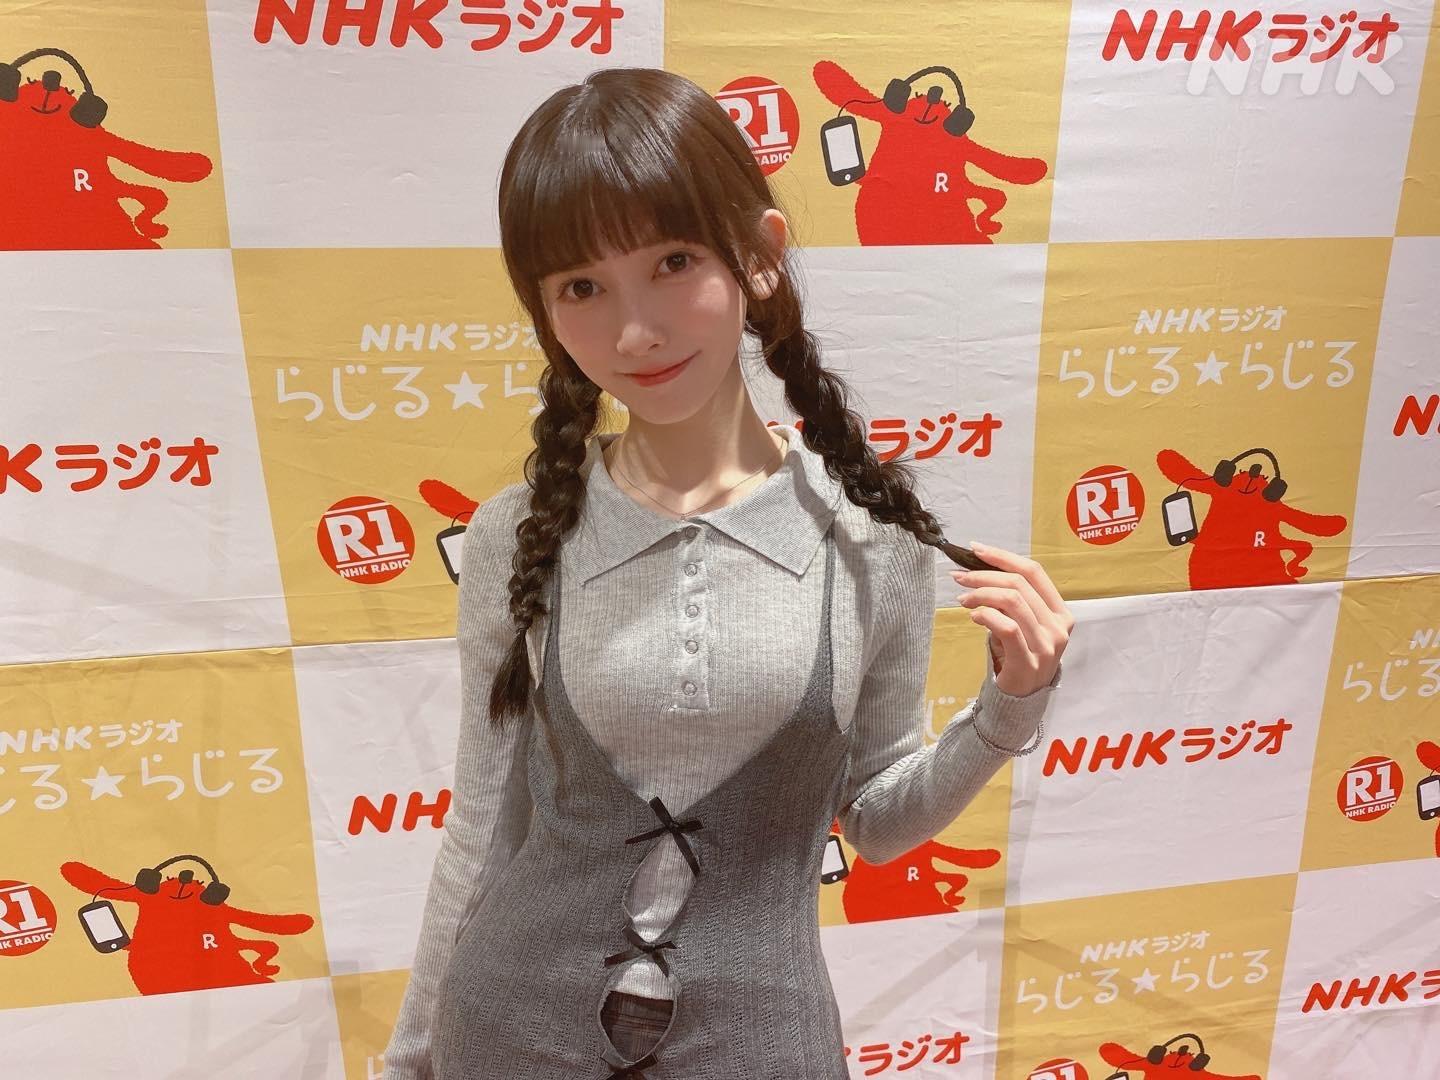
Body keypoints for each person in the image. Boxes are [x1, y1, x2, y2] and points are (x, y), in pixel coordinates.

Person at [382, 66, 1073, 1080]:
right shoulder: (519, 532)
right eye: (581, 287)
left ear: (758, 257)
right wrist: (409, 1062)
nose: (635, 331)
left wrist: (1009, 707)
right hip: (508, 1028)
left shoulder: (867, 535)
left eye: (673, 262)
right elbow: (485, 825)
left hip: (759, 1042)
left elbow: (878, 824)